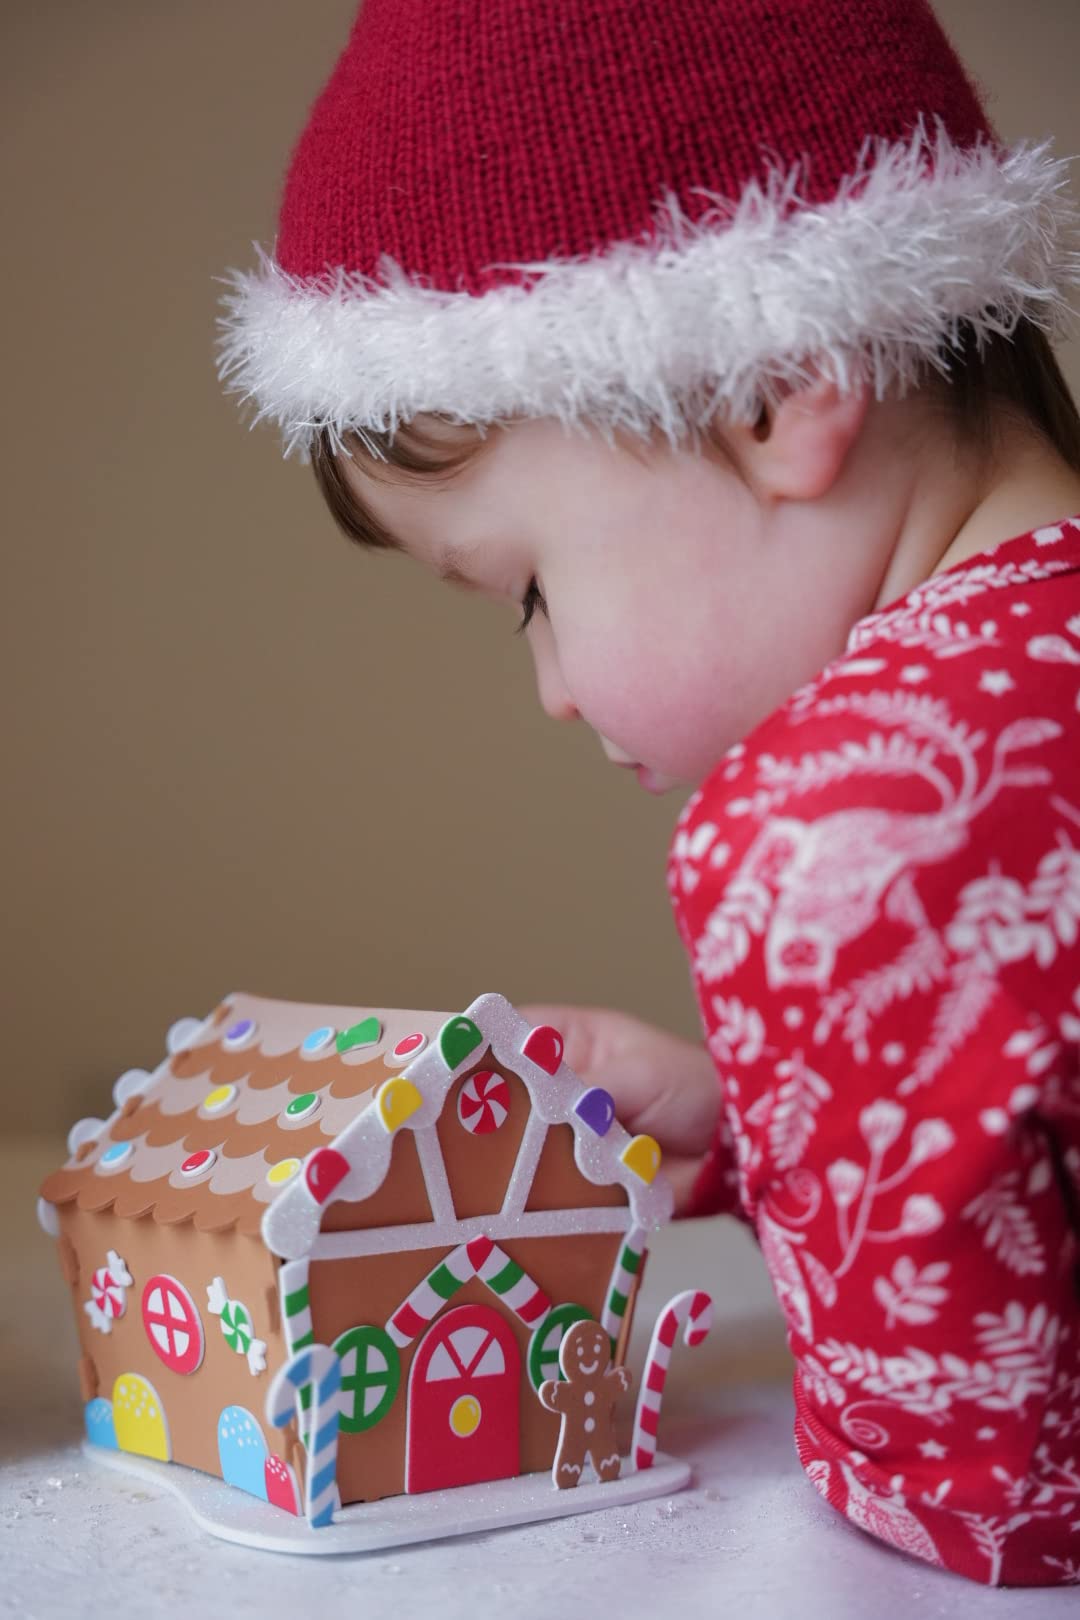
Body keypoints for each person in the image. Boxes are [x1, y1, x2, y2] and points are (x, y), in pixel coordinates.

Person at [219, 0, 1080, 1586]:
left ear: (778, 388)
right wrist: (769, 1133)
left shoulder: (838, 823)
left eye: (527, 586)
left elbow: (990, 1484)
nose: (549, 685)